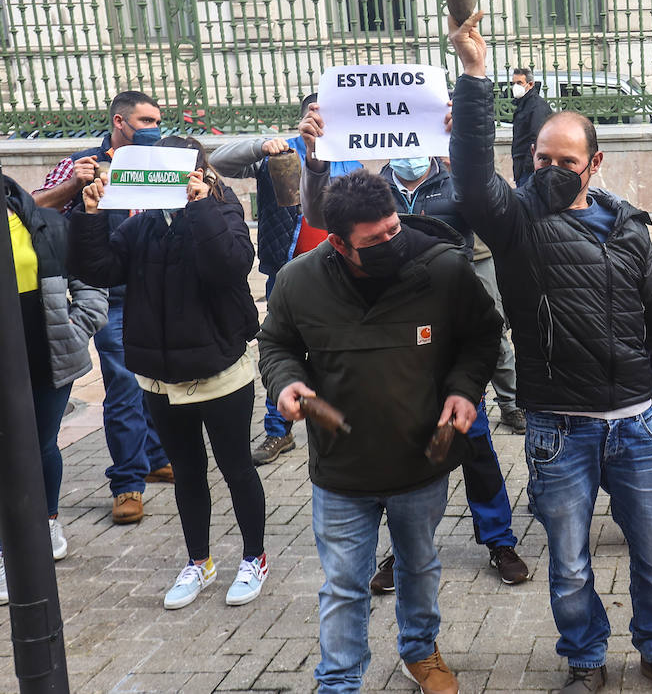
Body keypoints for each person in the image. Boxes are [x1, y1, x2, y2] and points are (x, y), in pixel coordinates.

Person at [448, 11, 652, 694]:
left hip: (635, 425)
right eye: (540, 159)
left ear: (594, 164)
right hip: (556, 429)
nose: (550, 170)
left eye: (565, 162)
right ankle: (585, 660)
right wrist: (475, 77)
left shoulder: (628, 226)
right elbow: (472, 174)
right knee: (568, 563)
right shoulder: (513, 223)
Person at [258, 169, 503, 694]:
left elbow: (483, 334)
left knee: (418, 567)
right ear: (339, 242)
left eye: (394, 228)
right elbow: (275, 345)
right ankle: (340, 681)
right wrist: (286, 383)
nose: (393, 241)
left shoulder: (442, 269)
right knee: (345, 585)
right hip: (341, 470)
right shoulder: (298, 281)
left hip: (421, 463)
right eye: (376, 240)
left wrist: (463, 389)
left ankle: (420, 651)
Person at [297, 149, 530, 589]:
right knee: (398, 464)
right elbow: (316, 214)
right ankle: (402, 552)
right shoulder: (372, 187)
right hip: (397, 358)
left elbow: (491, 206)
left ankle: (499, 539)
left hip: (444, 333)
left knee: (475, 447)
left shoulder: (454, 179)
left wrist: (464, 144)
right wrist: (313, 162)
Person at [69, 137, 268, 610]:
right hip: (160, 378)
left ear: (197, 172)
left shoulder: (220, 210)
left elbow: (232, 266)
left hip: (219, 372)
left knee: (236, 467)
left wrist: (198, 207)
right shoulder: (142, 224)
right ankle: (199, 560)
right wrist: (91, 216)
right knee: (189, 474)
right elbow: (99, 267)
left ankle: (254, 557)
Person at [33, 90, 171, 524]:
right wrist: (74, 185)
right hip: (109, 296)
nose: (154, 129)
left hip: (154, 291)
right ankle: (127, 483)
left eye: (157, 121)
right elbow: (30, 209)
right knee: (125, 383)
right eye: (146, 121)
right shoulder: (82, 164)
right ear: (119, 122)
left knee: (154, 379)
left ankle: (153, 455)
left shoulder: (162, 162)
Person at [209, 93, 362, 466]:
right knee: (281, 349)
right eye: (314, 114)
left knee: (341, 349)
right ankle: (279, 431)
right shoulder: (278, 153)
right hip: (286, 272)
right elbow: (218, 161)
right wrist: (261, 144)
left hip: (337, 275)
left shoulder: (351, 160)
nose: (321, 121)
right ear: (303, 119)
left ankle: (344, 425)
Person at [0, 176, 108, 605]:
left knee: (42, 444)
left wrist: (74, 332)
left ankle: (47, 521)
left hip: (47, 360)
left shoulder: (46, 225)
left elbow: (91, 285)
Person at [510, 67, 552, 186]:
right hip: (521, 165)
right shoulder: (523, 104)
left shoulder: (537, 107)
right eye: (513, 83)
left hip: (529, 168)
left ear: (530, 84)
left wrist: (528, 166)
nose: (515, 87)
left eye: (519, 83)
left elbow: (537, 137)